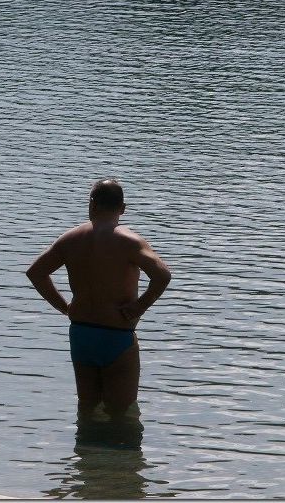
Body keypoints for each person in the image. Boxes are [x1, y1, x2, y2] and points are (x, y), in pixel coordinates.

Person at [26, 179, 171, 419]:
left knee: (87, 410)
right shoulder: (130, 242)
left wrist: (65, 308)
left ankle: (87, 454)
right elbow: (162, 275)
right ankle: (119, 455)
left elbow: (36, 273)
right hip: (117, 335)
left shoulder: (71, 239)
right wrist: (139, 307)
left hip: (82, 333)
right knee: (121, 416)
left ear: (91, 205)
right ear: (123, 208)